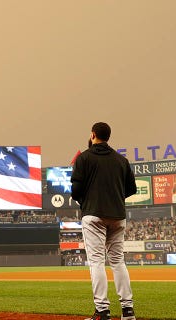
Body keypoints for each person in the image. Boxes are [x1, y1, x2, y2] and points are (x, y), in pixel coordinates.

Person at [71, 122, 137, 320]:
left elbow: (75, 190)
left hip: (93, 215)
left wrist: (87, 201)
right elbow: (132, 189)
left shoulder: (83, 157)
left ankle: (102, 311)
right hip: (117, 216)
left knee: (97, 262)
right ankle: (128, 310)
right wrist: (114, 198)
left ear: (92, 135)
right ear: (108, 137)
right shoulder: (121, 160)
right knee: (118, 261)